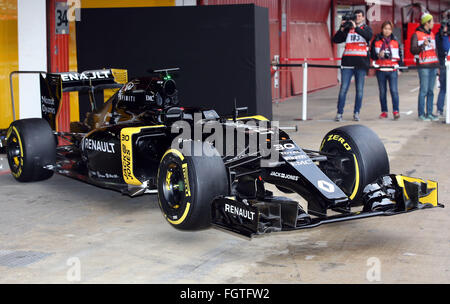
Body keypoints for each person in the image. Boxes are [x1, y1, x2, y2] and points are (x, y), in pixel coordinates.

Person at [332, 9, 373, 122]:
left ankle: (356, 113)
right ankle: (339, 113)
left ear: (364, 17)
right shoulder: (348, 29)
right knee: (343, 89)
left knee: (359, 90)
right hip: (347, 64)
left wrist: (356, 27)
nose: (358, 18)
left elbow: (368, 36)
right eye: (356, 16)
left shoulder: (366, 28)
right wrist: (341, 28)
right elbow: (336, 40)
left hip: (361, 64)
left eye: (360, 16)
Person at [410, 13, 440, 121]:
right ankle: (421, 114)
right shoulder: (416, 34)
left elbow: (434, 51)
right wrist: (423, 45)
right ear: (426, 23)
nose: (433, 24)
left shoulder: (432, 34)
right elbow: (413, 50)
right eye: (431, 21)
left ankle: (430, 113)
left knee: (431, 91)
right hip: (423, 66)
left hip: (433, 65)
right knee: (424, 90)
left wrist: (438, 67)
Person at [370, 21, 402, 120]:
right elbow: (372, 55)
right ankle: (384, 111)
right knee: (382, 91)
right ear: (382, 29)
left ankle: (396, 111)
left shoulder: (395, 41)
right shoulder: (376, 41)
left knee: (394, 90)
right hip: (381, 69)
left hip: (392, 69)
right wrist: (378, 55)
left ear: (391, 30)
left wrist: (399, 68)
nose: (387, 31)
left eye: (389, 29)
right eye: (385, 29)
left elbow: (400, 55)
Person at [435, 21, 450, 117]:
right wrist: (444, 35)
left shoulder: (440, 36)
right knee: (444, 88)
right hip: (444, 65)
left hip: (443, 64)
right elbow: (445, 49)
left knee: (443, 89)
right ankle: (440, 109)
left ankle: (440, 109)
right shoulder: (440, 37)